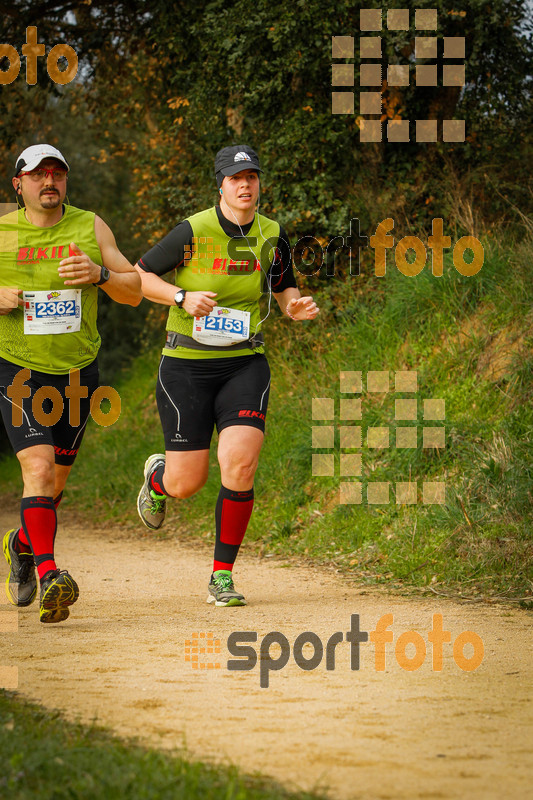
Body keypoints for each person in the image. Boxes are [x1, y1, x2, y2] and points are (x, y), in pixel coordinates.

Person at [136, 144, 319, 606]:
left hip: (244, 362)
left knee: (239, 464)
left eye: (252, 177)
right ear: (220, 183)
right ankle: (159, 479)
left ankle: (222, 576)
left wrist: (293, 306)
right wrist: (180, 297)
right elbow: (138, 276)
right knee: (186, 483)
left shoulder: (271, 233)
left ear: (259, 183)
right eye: (236, 177)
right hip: (186, 367)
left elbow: (281, 285)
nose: (245, 184)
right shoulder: (192, 230)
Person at [0, 143, 142, 623]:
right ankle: (50, 575)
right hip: (17, 368)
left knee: (54, 486)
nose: (49, 182)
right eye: (38, 175)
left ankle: (19, 545)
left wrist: (99, 275)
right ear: (18, 184)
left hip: (79, 372)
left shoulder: (90, 226)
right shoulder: (1, 230)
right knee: (37, 472)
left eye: (57, 173)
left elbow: (134, 292)